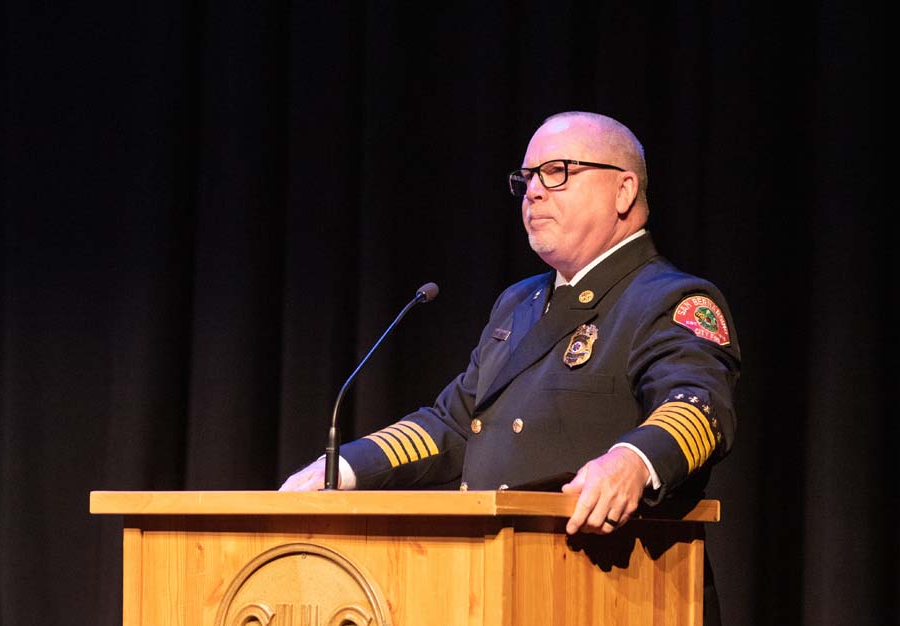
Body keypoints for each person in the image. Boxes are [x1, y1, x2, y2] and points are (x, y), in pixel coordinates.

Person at [281, 111, 740, 543]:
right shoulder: (518, 302)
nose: (535, 191)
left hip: (615, 594)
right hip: (503, 577)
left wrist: (632, 461)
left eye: (558, 171)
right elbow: (455, 425)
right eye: (528, 177)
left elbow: (699, 410)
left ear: (623, 191)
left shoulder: (670, 298)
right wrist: (342, 468)